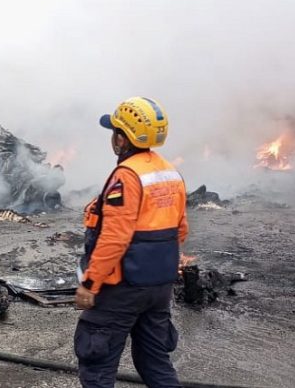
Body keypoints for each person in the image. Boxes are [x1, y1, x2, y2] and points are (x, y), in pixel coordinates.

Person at [74, 97, 189, 387]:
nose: (112, 138)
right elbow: (180, 230)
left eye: (114, 131)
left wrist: (90, 284)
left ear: (122, 139)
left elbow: (115, 237)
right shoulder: (170, 172)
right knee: (155, 363)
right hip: (159, 287)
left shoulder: (126, 177)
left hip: (122, 288)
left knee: (97, 365)